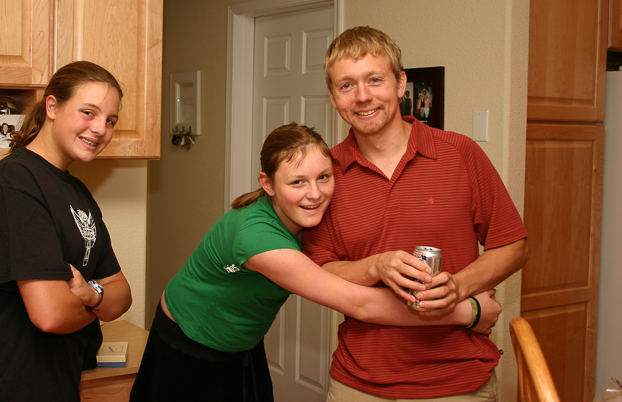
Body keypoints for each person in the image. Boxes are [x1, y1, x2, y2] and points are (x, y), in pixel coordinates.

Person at [129, 123, 502, 402]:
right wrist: (467, 312)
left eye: (323, 177)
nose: (314, 194)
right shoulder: (256, 236)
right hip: (189, 344)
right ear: (268, 183)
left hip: (242, 343)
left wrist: (376, 263)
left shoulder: (309, 216)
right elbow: (359, 303)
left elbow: (340, 263)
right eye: (297, 183)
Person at [303, 26, 530, 401]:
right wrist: (375, 265)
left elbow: (513, 246)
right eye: (346, 86)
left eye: (375, 80)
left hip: (459, 382)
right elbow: (319, 271)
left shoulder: (460, 154)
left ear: (400, 84)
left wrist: (460, 287)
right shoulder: (326, 175)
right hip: (358, 385)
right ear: (332, 96)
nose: (363, 97)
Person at [0, 61, 133, 402]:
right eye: (88, 112)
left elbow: (121, 292)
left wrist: (90, 296)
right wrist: (97, 307)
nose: (100, 129)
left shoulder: (77, 192)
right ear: (52, 107)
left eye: (110, 120)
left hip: (55, 375)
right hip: (1, 378)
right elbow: (51, 314)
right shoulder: (17, 181)